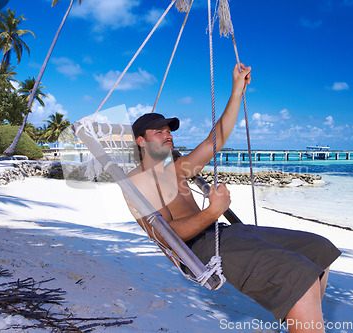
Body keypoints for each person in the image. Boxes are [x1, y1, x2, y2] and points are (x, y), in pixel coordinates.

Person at [125, 63, 341, 333]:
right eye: (159, 132)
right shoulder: (138, 181)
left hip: (221, 233)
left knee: (319, 248)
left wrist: (237, 90)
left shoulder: (177, 169)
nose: (168, 135)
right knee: (298, 274)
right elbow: (166, 235)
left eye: (169, 131)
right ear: (141, 141)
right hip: (198, 250)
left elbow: (215, 140)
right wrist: (212, 212)